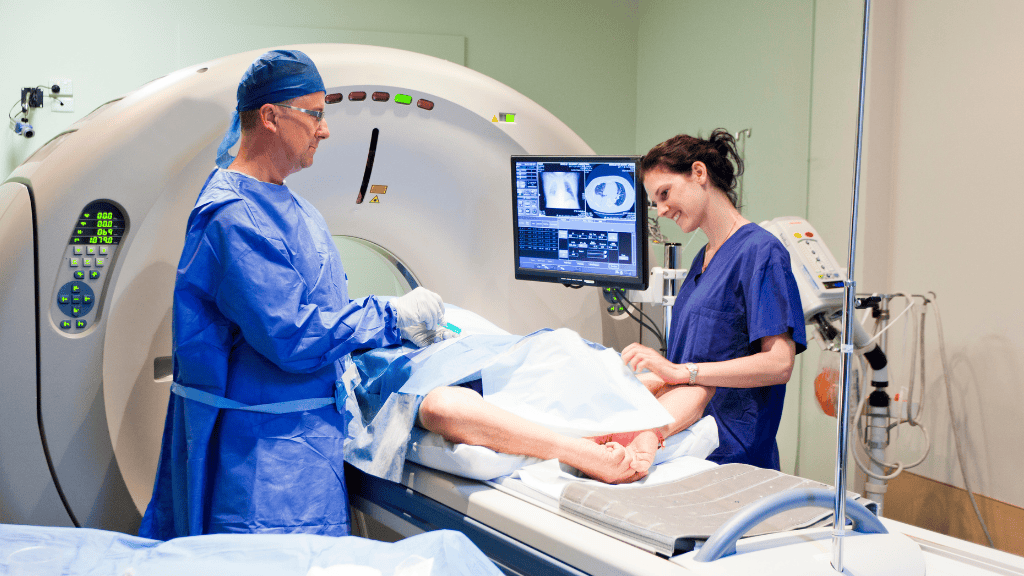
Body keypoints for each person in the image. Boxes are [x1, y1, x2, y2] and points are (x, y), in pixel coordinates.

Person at [140, 50, 449, 540]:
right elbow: (291, 336)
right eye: (316, 115)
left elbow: (318, 308)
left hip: (308, 438)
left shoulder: (294, 207)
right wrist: (389, 316)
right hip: (264, 456)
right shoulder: (234, 217)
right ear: (270, 116)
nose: (324, 131)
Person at [620, 129, 807, 470]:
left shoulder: (761, 252)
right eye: (655, 202)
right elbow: (699, 357)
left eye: (665, 193)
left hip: (734, 458)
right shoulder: (702, 260)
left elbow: (779, 363)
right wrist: (657, 379)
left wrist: (682, 372)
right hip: (686, 446)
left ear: (699, 173)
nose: (661, 210)